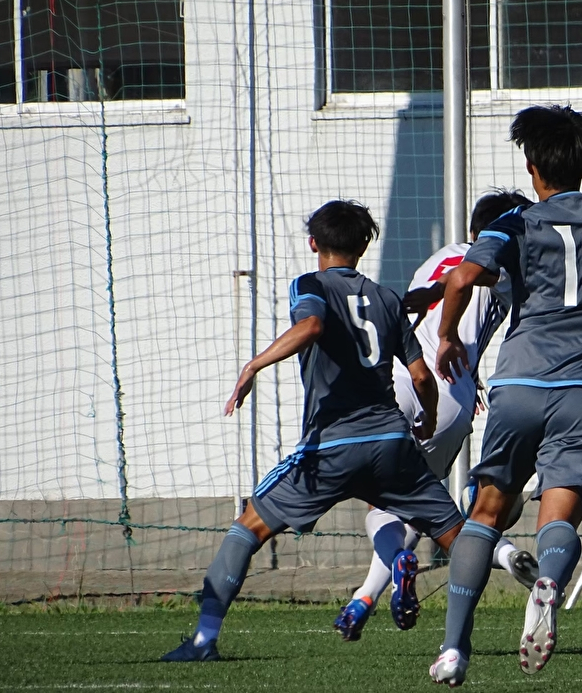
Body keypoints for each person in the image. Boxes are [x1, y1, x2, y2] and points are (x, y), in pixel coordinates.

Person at [427, 106, 582, 686]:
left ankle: (453, 651)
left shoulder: (514, 222)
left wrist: (447, 337)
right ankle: (547, 585)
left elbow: (462, 278)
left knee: (486, 512)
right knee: (557, 513)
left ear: (532, 166)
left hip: (520, 386)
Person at [160, 200, 464, 662]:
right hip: (391, 442)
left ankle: (203, 640)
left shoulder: (310, 284)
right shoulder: (387, 298)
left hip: (332, 446)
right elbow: (422, 377)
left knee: (248, 528)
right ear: (364, 247)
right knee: (460, 538)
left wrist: (253, 365)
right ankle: (467, 635)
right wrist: (427, 416)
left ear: (314, 244)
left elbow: (312, 324)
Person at [333, 189, 537, 642]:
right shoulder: (510, 269)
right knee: (415, 504)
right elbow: (471, 297)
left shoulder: (440, 256)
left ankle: (368, 594)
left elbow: (424, 304)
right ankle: (368, 597)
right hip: (451, 397)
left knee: (385, 502)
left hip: (404, 378)